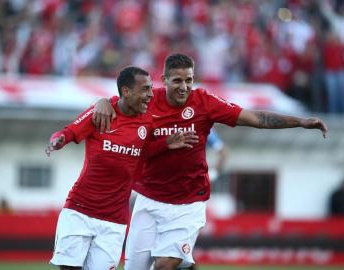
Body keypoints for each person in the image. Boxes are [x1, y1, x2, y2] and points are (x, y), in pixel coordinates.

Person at [93, 53, 328, 270]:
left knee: (164, 266)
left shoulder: (204, 102)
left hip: (188, 204)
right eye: (177, 81)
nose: (184, 87)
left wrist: (301, 122)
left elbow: (256, 117)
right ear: (164, 80)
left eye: (189, 80)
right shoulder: (147, 101)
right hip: (149, 199)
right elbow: (119, 102)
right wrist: (102, 101)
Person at [45, 66, 198, 270]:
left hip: (114, 220)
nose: (150, 95)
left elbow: (140, 153)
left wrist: (165, 144)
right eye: (145, 89)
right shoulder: (102, 114)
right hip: (80, 211)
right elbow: (70, 131)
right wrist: (57, 141)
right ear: (126, 91)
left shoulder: (148, 120)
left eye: (151, 89)